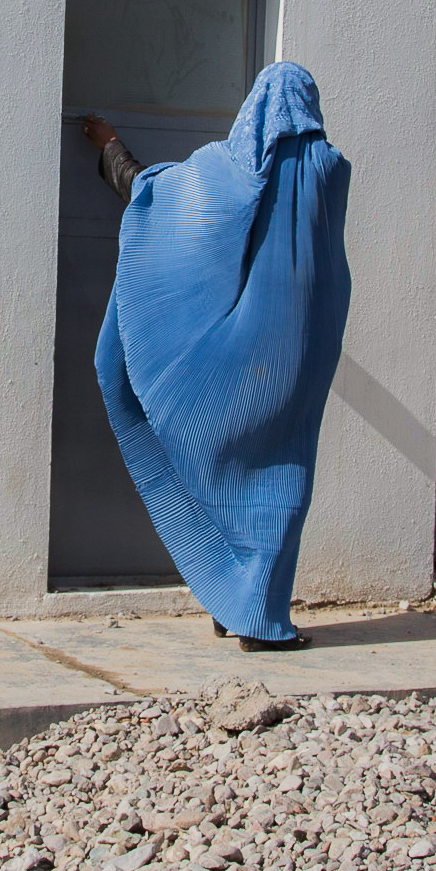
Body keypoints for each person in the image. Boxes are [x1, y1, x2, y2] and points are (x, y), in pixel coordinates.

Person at [77, 62, 352, 650]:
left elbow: (160, 198)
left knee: (218, 459)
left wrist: (113, 148)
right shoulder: (329, 171)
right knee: (279, 476)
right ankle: (244, 606)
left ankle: (247, 613)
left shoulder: (229, 170)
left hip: (233, 358)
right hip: (298, 358)